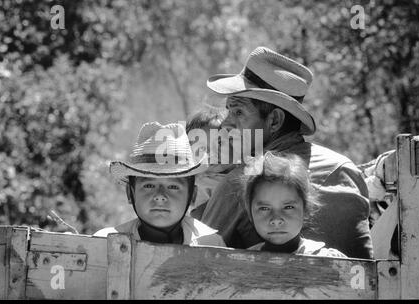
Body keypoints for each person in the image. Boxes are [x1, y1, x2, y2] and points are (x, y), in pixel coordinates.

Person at [199, 46, 373, 258]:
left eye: (238, 112)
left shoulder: (240, 182)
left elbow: (200, 262)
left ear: (275, 120)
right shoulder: (345, 169)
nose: (226, 123)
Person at [94, 121, 226, 248]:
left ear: (192, 195)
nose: (160, 196)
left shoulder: (210, 244)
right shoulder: (104, 243)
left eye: (173, 187)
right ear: (130, 193)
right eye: (149, 186)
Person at [243, 151, 346, 258]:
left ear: (305, 209)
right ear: (250, 213)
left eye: (288, 207)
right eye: (264, 208)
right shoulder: (240, 262)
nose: (276, 220)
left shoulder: (330, 260)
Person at [185, 105, 237, 219]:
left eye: (219, 143)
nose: (211, 153)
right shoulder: (201, 182)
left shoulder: (247, 173)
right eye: (202, 148)